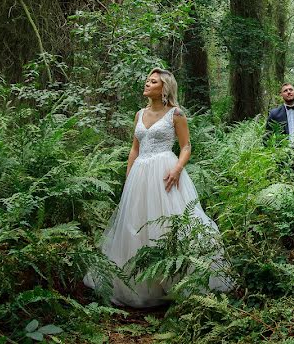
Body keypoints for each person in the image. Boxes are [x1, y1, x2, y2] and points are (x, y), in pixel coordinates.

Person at [85, 68, 230, 307]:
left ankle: (178, 282)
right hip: (140, 174)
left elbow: (186, 146)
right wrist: (128, 178)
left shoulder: (176, 113)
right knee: (136, 226)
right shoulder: (139, 114)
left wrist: (177, 169)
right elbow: (134, 148)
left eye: (153, 81)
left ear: (164, 88)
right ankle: (142, 285)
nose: (147, 83)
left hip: (166, 172)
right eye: (147, 80)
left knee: (168, 223)